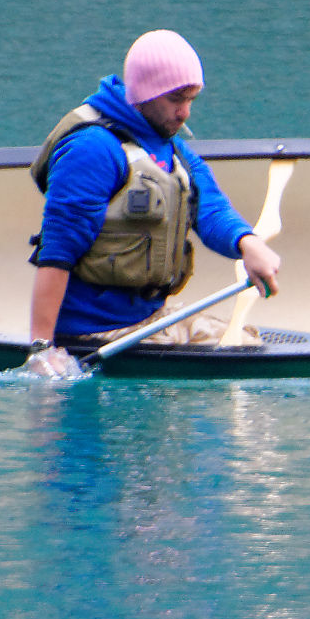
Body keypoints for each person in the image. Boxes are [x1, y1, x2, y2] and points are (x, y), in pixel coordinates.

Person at [22, 31, 282, 378]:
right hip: (94, 334)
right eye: (176, 99)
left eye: (192, 99)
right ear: (145, 92)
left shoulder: (169, 145)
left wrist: (247, 245)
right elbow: (57, 253)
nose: (185, 113)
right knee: (243, 367)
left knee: (247, 343)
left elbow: (209, 208)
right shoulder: (93, 150)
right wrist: (42, 349)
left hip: (149, 320)